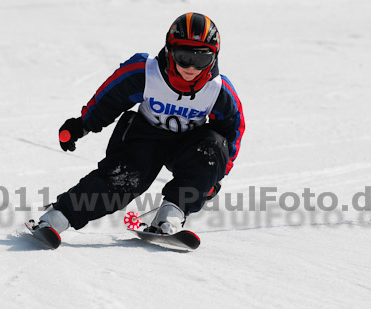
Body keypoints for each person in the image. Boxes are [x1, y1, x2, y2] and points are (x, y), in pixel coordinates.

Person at [38, 12, 245, 237]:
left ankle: (172, 214)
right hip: (144, 137)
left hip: (188, 144)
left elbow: (231, 132)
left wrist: (214, 177)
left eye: (202, 59)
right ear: (170, 49)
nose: (191, 67)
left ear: (214, 57)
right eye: (184, 56)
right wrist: (82, 126)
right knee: (122, 180)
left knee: (212, 146)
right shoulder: (145, 72)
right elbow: (109, 99)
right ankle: (58, 216)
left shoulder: (218, 90)